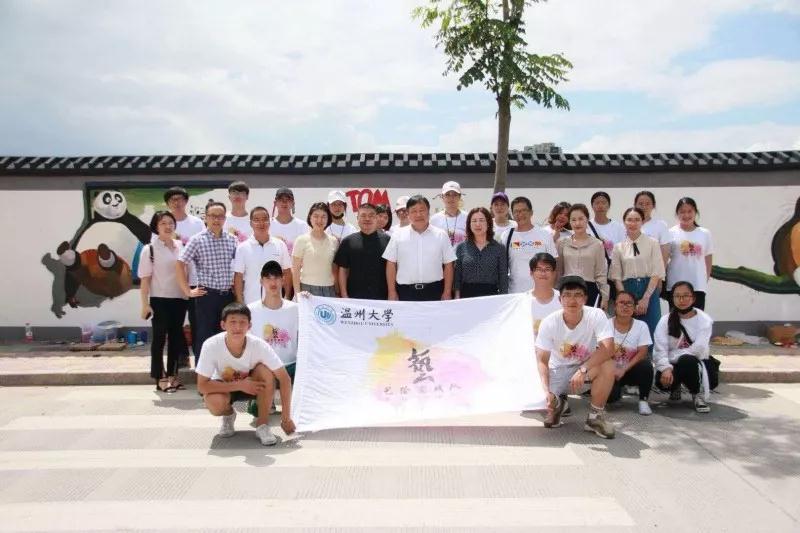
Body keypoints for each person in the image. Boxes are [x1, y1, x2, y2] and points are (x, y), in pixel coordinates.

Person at [196, 303, 296, 446]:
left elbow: (284, 378)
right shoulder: (211, 345)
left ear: (249, 326)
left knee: (265, 371)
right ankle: (228, 415)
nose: (238, 327)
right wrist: (240, 385)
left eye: (242, 322)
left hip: (254, 387)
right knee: (214, 401)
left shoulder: (259, 345)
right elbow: (202, 386)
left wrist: (286, 417)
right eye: (232, 322)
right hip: (225, 387)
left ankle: (262, 425)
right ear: (223, 325)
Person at [535, 276, 617, 439]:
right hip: (557, 371)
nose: (572, 300)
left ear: (585, 298)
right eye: (567, 295)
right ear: (560, 299)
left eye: (578, 295)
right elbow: (542, 360)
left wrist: (583, 369)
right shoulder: (549, 322)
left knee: (608, 364)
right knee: (541, 395)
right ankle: (557, 405)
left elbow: (608, 348)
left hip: (585, 370)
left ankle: (595, 418)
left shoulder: (596, 315)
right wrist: (545, 390)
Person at [177, 202, 238, 363]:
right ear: (206, 218)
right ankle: (203, 373)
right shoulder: (197, 240)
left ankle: (224, 371)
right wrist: (187, 290)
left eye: (220, 216)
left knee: (226, 335)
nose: (216, 220)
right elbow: (180, 263)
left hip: (228, 296)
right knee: (204, 335)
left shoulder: (232, 240)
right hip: (207, 296)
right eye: (212, 216)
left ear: (224, 219)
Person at [138, 211, 188, 392]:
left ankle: (173, 376)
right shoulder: (149, 249)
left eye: (170, 223)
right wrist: (145, 304)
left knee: (176, 338)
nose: (168, 226)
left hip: (180, 299)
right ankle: (160, 377)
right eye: (163, 223)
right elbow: (145, 279)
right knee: (159, 339)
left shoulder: (180, 246)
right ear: (156, 227)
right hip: (159, 299)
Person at [653, 281, 715, 413]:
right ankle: (675, 387)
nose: (681, 300)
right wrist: (665, 368)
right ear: (672, 298)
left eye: (686, 295)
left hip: (697, 363)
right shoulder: (665, 321)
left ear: (693, 298)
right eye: (677, 296)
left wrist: (673, 357)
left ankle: (697, 393)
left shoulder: (704, 320)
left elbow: (697, 350)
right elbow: (659, 348)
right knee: (661, 382)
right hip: (673, 364)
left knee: (687, 360)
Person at [383, 195, 456, 301]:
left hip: (435, 291)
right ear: (408, 214)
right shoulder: (397, 235)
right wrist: (392, 291)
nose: (418, 214)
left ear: (428, 212)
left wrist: (447, 292)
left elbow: (448, 264)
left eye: (422, 210)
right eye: (414, 211)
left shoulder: (441, 235)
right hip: (405, 292)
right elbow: (391, 263)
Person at [609, 207, 666, 341]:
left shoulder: (652, 243)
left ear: (642, 222)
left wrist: (646, 298)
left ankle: (650, 354)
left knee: (652, 328)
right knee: (628, 330)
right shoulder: (619, 247)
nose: (633, 223)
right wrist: (626, 299)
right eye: (629, 220)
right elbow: (616, 276)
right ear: (624, 222)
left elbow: (656, 272)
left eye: (637, 220)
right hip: (627, 289)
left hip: (649, 288)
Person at [163, 186, 205, 361]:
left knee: (197, 321)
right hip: (172, 281)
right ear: (167, 203)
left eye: (180, 199)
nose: (176, 203)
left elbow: (204, 247)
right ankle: (181, 355)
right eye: (172, 200)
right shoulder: (164, 223)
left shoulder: (197, 223)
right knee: (174, 321)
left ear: (186, 201)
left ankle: (200, 356)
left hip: (195, 279)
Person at [248, 261, 299, 383]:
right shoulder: (250, 310)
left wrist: (309, 300)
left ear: (283, 280)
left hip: (291, 366)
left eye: (276, 277)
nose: (273, 282)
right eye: (268, 278)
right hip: (263, 368)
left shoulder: (296, 309)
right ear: (261, 281)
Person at [606, 291, 654, 415]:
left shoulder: (641, 325)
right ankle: (617, 391)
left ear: (634, 307)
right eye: (621, 303)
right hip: (611, 370)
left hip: (631, 368)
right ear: (615, 306)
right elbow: (601, 351)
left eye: (629, 303)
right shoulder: (606, 324)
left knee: (646, 365)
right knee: (611, 399)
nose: (625, 306)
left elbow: (643, 352)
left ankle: (643, 400)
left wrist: (624, 369)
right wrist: (614, 369)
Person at [233, 206, 292, 305]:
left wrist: (287, 297)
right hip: (251, 302)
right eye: (256, 220)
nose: (261, 223)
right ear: (251, 223)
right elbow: (238, 276)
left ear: (269, 222)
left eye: (265, 219)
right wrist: (240, 301)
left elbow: (287, 272)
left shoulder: (280, 245)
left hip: (276, 304)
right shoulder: (242, 248)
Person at [556, 204, 608, 309]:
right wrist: (556, 292)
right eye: (573, 220)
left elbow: (601, 273)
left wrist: (605, 297)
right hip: (567, 290)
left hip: (589, 290)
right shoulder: (562, 243)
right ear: (569, 222)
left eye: (581, 219)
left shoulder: (597, 244)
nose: (577, 223)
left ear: (587, 220)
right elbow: (559, 271)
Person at [334, 203, 391, 299]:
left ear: (376, 218)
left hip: (382, 298)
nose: (367, 219)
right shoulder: (348, 241)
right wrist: (344, 294)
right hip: (354, 298)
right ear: (357, 218)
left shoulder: (388, 240)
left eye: (371, 215)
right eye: (363, 215)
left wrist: (391, 292)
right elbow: (343, 270)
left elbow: (392, 269)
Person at [502, 196, 557, 293]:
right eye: (516, 211)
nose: (520, 214)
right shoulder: (506, 235)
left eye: (524, 210)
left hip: (540, 293)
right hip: (515, 293)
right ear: (512, 214)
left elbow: (554, 265)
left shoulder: (545, 234)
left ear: (531, 212)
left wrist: (550, 290)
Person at [666, 197, 713, 310]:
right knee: (675, 318)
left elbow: (708, 259)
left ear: (695, 212)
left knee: (696, 317)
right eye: (682, 212)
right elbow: (664, 258)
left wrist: (704, 279)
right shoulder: (670, 233)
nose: (686, 215)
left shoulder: (705, 233)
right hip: (675, 284)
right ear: (677, 213)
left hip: (697, 285)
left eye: (689, 211)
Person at [454, 207, 508, 298]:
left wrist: (503, 298)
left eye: (481, 220)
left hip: (491, 296)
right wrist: (456, 295)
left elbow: (503, 277)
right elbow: (457, 275)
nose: (477, 224)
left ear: (488, 223)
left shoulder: (499, 248)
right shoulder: (461, 247)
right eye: (474, 221)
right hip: (466, 296)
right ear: (469, 225)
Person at [292, 202, 339, 297]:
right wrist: (297, 294)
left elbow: (335, 270)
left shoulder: (334, 241)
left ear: (328, 219)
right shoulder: (301, 240)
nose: (319, 220)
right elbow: (295, 270)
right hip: (307, 290)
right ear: (310, 217)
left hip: (329, 290)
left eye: (323, 217)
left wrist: (338, 291)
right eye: (316, 216)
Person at [634, 190, 670, 266]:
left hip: (653, 270)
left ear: (653, 206)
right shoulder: (628, 225)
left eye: (647, 204)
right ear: (635, 205)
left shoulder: (661, 225)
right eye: (640, 204)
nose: (644, 207)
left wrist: (660, 271)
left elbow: (665, 252)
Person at [270, 188, 308, 257]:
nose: (284, 202)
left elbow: (306, 250)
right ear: (275, 203)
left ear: (293, 203)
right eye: (281, 199)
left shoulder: (302, 226)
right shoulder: (267, 224)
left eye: (288, 199)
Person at [589, 191, 625, 260]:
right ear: (592, 206)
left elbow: (622, 251)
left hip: (613, 265)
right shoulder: (586, 226)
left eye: (603, 203)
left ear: (609, 206)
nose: (600, 206)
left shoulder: (618, 227)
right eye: (597, 203)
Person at [430, 181, 467, 247]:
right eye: (447, 194)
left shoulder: (468, 217)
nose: (451, 198)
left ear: (459, 197)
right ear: (442, 197)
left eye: (454, 195)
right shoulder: (434, 219)